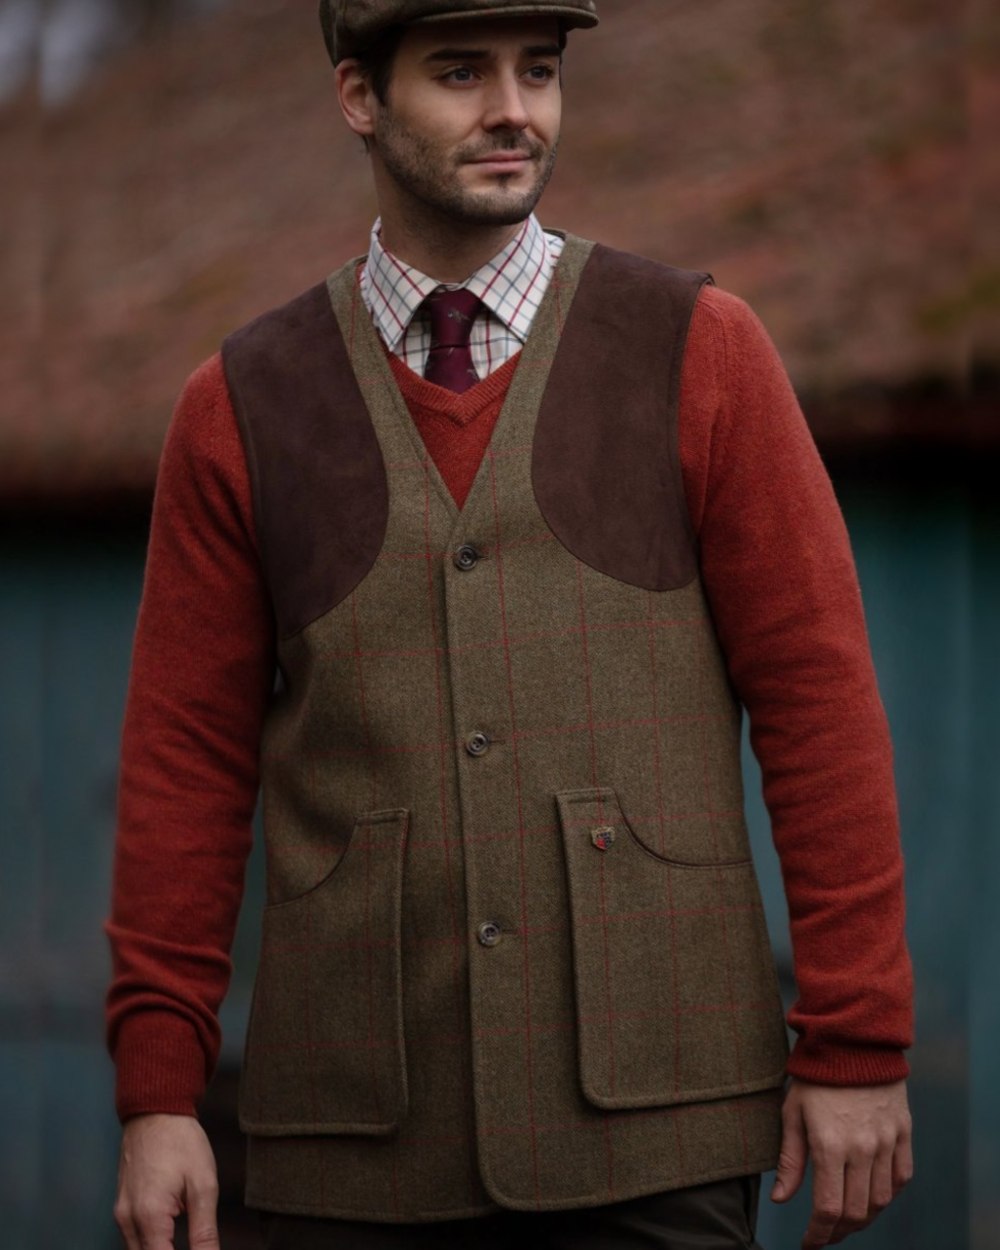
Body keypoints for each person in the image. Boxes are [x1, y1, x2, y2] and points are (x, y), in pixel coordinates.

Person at [106, 2, 915, 1247]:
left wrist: (856, 1038)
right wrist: (158, 1094)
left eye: (538, 71)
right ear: (357, 96)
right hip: (353, 1139)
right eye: (459, 72)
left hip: (660, 1114)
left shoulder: (701, 351)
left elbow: (820, 705)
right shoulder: (239, 406)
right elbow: (182, 770)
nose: (513, 110)